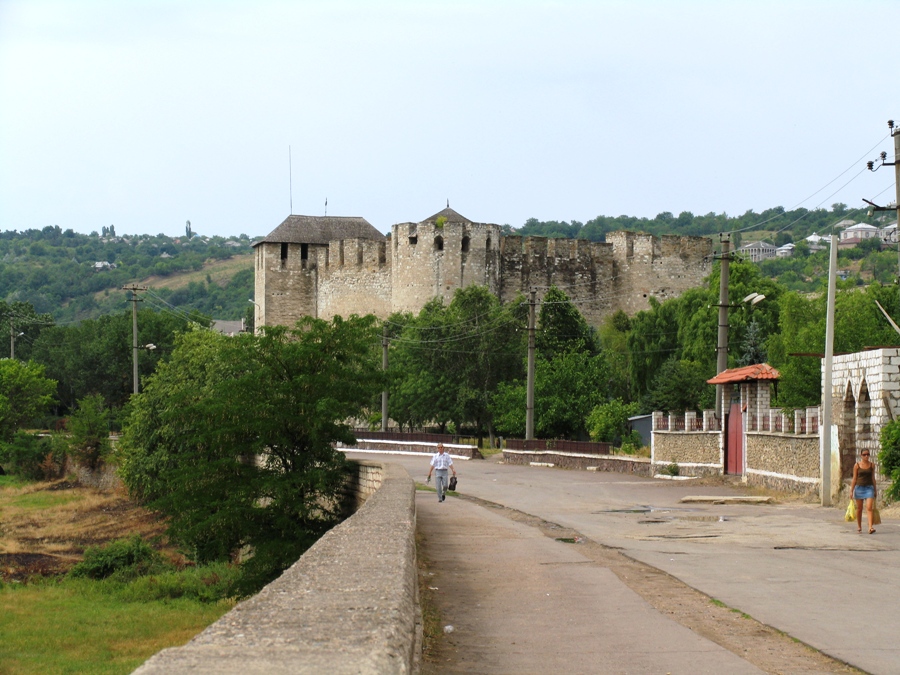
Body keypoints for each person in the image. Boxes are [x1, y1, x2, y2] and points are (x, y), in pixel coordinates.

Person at [849, 449, 878, 534]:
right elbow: (854, 478)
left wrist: (875, 490)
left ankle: (870, 527)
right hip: (859, 488)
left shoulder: (872, 465)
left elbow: (873, 478)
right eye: (864, 455)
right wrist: (851, 490)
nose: (866, 456)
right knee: (859, 508)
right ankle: (859, 526)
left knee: (869, 507)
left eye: (868, 454)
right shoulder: (857, 465)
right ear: (861, 455)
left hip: (869, 488)